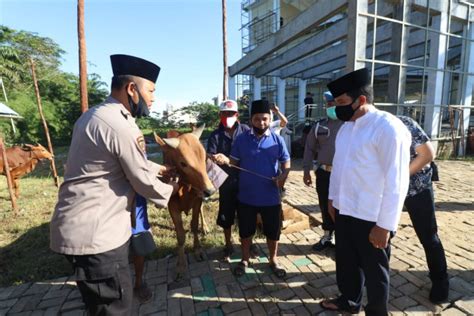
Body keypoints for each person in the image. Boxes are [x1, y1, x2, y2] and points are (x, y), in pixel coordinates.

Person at [50, 54, 178, 315]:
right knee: (115, 307)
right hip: (99, 236)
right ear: (132, 89)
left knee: (98, 305)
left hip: (80, 227)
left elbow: (113, 163)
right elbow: (140, 179)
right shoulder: (120, 125)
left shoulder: (94, 116)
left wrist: (161, 168)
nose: (153, 98)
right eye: (151, 90)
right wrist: (173, 188)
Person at [320, 68, 411, 315]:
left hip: (373, 216)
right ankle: (349, 301)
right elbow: (339, 167)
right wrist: (332, 199)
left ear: (361, 100)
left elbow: (397, 180)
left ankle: (377, 310)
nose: (336, 108)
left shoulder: (388, 128)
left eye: (341, 103)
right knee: (346, 262)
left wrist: (385, 225)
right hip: (345, 209)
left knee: (375, 270)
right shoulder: (347, 127)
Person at [218, 99, 291, 278]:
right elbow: (233, 163)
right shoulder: (241, 140)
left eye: (265, 119)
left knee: (273, 231)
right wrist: (223, 159)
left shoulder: (277, 140)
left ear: (269, 118)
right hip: (246, 197)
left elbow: (286, 161)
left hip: (271, 197)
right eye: (257, 119)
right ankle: (244, 259)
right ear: (251, 120)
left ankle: (273, 260)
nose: (261, 123)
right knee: (245, 231)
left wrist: (283, 177)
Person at [397, 115, 449, 303]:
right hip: (386, 190)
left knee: (428, 235)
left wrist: (399, 178)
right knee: (382, 234)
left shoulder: (403, 122)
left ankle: (440, 280)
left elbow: (427, 153)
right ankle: (378, 277)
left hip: (417, 186)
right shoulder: (354, 128)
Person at [207, 99, 250, 261]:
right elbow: (210, 158)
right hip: (226, 183)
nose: (227, 116)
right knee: (226, 215)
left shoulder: (246, 131)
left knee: (246, 214)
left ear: (237, 115)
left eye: (230, 114)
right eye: (224, 114)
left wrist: (230, 159)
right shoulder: (215, 135)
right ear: (220, 115)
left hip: (245, 181)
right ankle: (228, 244)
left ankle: (247, 243)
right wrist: (214, 157)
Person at [302, 91, 343, 251]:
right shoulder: (319, 125)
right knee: (325, 204)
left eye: (334, 103)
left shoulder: (349, 125)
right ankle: (327, 235)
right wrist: (306, 171)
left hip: (343, 174)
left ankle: (343, 239)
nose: (331, 106)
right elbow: (309, 149)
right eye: (329, 104)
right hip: (324, 173)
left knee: (342, 206)